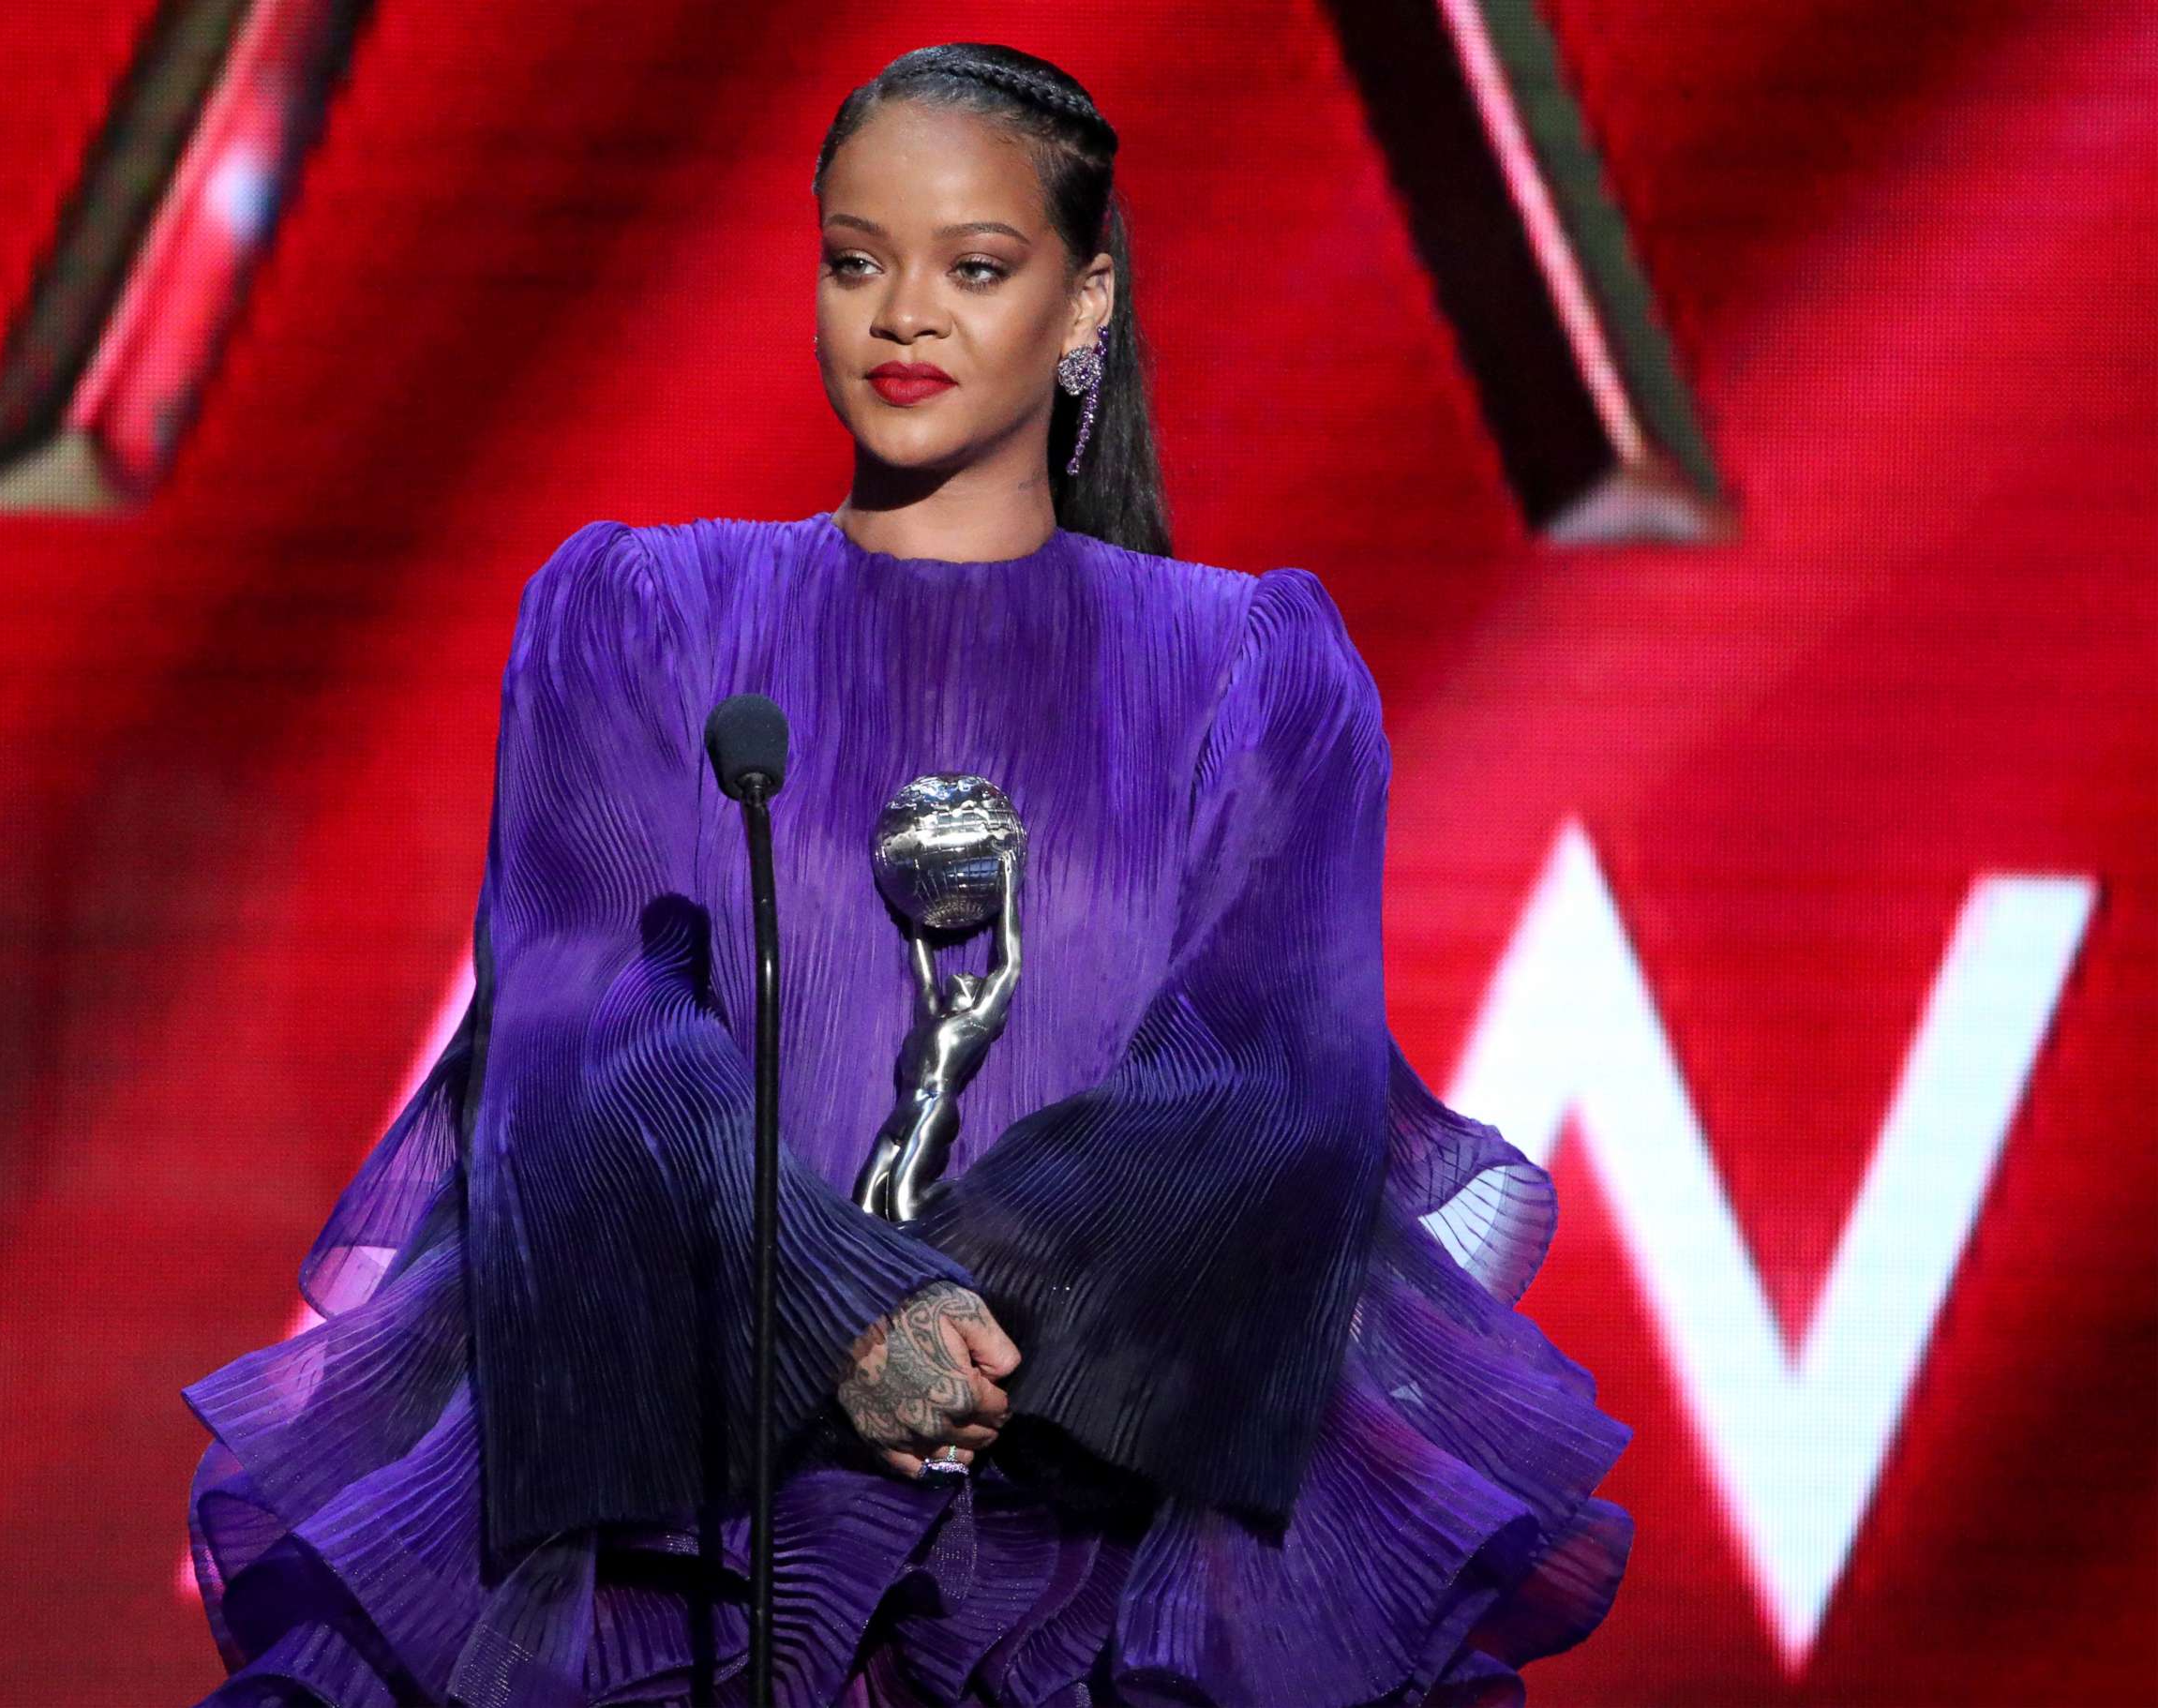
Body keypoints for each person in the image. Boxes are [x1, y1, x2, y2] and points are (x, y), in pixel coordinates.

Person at [182, 41, 1633, 1708]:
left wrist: (946, 1333)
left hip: (1088, 1549)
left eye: (977, 266)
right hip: (698, 1543)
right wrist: (839, 1318)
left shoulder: (1253, 664)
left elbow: (1268, 1083)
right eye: (857, 260)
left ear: (1087, 305)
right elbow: (579, 1033)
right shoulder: (638, 617)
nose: (903, 317)